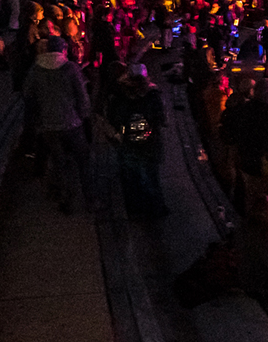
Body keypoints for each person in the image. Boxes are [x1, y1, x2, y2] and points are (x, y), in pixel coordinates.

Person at [24, 36, 95, 213]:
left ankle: (64, 198)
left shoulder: (36, 69)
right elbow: (82, 96)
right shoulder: (70, 68)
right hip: (72, 123)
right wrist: (84, 117)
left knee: (58, 162)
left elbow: (28, 95)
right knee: (83, 161)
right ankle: (90, 200)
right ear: (63, 49)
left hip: (48, 126)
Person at [104, 63, 168, 218]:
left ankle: (135, 210)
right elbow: (162, 119)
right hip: (150, 141)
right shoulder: (153, 94)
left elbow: (112, 118)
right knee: (152, 175)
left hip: (128, 142)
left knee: (131, 177)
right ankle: (156, 208)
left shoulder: (119, 94)